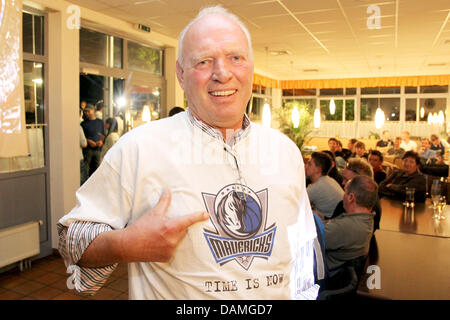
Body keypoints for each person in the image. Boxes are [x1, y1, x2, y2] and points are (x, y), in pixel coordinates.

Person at [57, 6, 318, 300]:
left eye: (236, 58)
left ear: (251, 68)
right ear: (181, 75)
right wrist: (125, 245)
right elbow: (71, 241)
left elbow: (301, 247)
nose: (222, 73)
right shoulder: (140, 147)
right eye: (204, 61)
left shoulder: (285, 150)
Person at [323, 176, 376, 273]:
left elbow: (304, 240)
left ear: (351, 197)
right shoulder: (366, 219)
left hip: (324, 277)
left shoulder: (343, 227)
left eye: (345, 191)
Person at [330, 158, 381, 232]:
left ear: (362, 182)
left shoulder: (358, 204)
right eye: (343, 178)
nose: (343, 183)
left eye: (347, 180)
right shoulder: (371, 199)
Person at [305, 152, 344, 219]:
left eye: (309, 164)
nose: (305, 166)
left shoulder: (317, 187)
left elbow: (296, 205)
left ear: (318, 169)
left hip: (329, 223)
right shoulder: (329, 180)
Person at [81, 104, 105, 177]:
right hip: (88, 150)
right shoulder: (83, 123)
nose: (86, 113)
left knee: (97, 168)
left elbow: (103, 135)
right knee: (86, 168)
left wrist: (101, 141)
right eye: (85, 111)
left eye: (88, 111)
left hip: (98, 149)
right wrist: (88, 141)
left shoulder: (100, 122)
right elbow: (82, 137)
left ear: (94, 111)